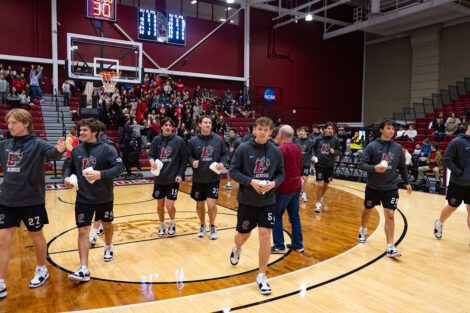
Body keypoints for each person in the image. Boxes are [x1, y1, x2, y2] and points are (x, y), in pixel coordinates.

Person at [0, 108, 65, 298]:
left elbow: (53, 154)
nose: (9, 126)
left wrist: (59, 151)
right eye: (8, 123)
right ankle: (1, 281)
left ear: (26, 123)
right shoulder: (4, 144)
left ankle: (41, 269)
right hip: (7, 200)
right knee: (3, 239)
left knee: (36, 236)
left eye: (14, 123)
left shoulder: (37, 143)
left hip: (31, 200)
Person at [229, 117, 285, 295]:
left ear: (271, 132)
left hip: (268, 201)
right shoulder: (243, 148)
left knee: (265, 236)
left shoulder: (276, 151)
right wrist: (251, 181)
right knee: (243, 235)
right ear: (254, 130)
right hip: (247, 201)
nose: (262, 132)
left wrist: (274, 184)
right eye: (259, 129)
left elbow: (281, 174)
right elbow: (233, 171)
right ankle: (236, 248)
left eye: (266, 129)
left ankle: (261, 275)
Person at [64, 118, 124, 282]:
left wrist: (100, 174)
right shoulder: (76, 150)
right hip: (83, 197)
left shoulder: (107, 149)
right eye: (80, 130)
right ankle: (84, 268)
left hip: (104, 196)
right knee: (83, 230)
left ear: (95, 132)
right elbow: (70, 167)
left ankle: (108, 245)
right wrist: (67, 178)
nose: (81, 132)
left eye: (84, 130)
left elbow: (120, 168)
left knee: (106, 224)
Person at [358, 120, 412, 257]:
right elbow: (362, 164)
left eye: (393, 128)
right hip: (373, 186)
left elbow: (402, 166)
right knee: (368, 209)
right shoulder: (372, 146)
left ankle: (390, 247)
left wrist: (407, 182)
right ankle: (363, 229)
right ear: (381, 130)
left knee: (390, 214)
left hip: (391, 187)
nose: (391, 131)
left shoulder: (398, 148)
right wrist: (374, 168)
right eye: (388, 128)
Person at [187, 115, 229, 239]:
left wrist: (223, 162)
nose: (208, 125)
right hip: (199, 178)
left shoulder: (218, 139)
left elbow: (225, 153)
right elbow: (189, 155)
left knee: (211, 204)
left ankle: (212, 225)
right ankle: (202, 225)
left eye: (209, 123)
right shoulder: (194, 141)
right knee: (200, 204)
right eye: (205, 122)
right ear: (199, 125)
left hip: (213, 178)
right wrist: (192, 161)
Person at [148, 117, 187, 237]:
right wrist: (152, 163)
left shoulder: (179, 141)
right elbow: (151, 155)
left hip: (173, 178)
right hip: (159, 178)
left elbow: (183, 159)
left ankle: (172, 222)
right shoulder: (156, 140)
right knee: (160, 205)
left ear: (173, 127)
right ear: (161, 127)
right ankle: (162, 225)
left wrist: (180, 174)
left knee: (169, 205)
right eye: (166, 125)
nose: (168, 127)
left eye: (170, 125)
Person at [433, 120, 470, 242]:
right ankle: (439, 223)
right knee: (452, 207)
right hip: (458, 183)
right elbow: (447, 160)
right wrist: (460, 173)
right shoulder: (457, 142)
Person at [272, 125, 303, 254]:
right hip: (296, 186)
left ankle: (279, 246)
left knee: (276, 216)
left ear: (281, 134)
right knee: (294, 216)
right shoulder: (297, 147)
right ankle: (298, 244)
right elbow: (300, 167)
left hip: (284, 188)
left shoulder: (280, 149)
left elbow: (276, 171)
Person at [311, 122, 341, 212]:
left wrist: (334, 152)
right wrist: (313, 156)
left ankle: (321, 198)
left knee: (326, 184)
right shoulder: (319, 139)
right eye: (328, 128)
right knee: (320, 184)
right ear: (324, 129)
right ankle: (318, 203)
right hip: (319, 164)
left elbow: (340, 151)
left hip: (330, 165)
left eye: (331, 129)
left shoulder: (335, 140)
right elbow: (313, 148)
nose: (330, 130)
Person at [294, 126, 315, 202]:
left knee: (305, 179)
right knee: (297, 179)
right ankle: (297, 192)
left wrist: (313, 156)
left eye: (302, 131)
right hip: (296, 163)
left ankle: (304, 194)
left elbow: (314, 150)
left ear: (306, 132)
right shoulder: (295, 140)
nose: (300, 132)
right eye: (299, 131)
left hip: (306, 162)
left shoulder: (311, 141)